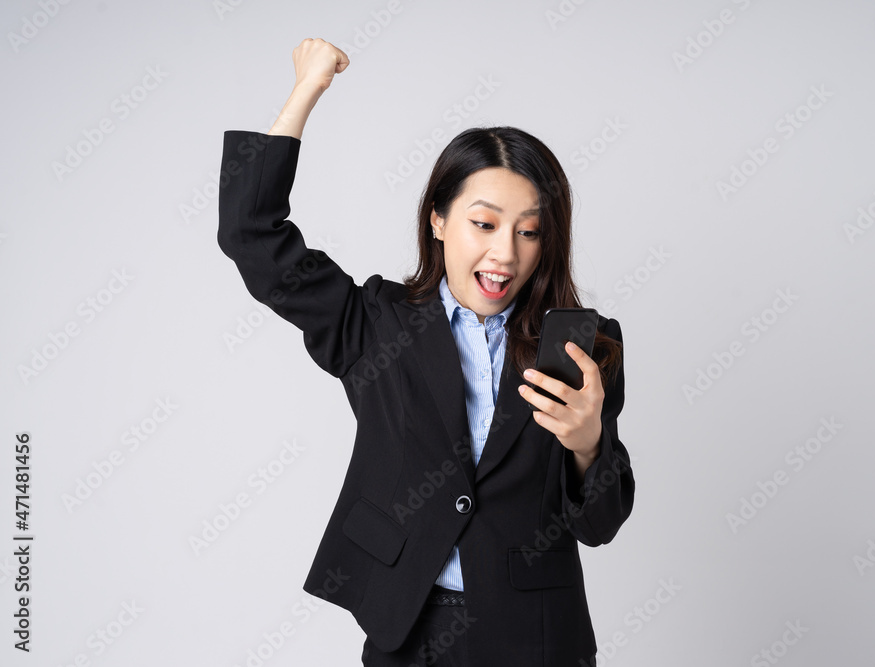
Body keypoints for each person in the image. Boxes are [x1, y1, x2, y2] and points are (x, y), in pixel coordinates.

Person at [217, 37, 635, 667]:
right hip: (406, 628)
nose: (505, 254)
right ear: (439, 219)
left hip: (538, 635)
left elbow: (599, 525)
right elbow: (251, 234)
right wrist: (307, 90)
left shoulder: (585, 344)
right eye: (485, 223)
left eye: (529, 232)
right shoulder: (374, 324)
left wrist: (587, 445)